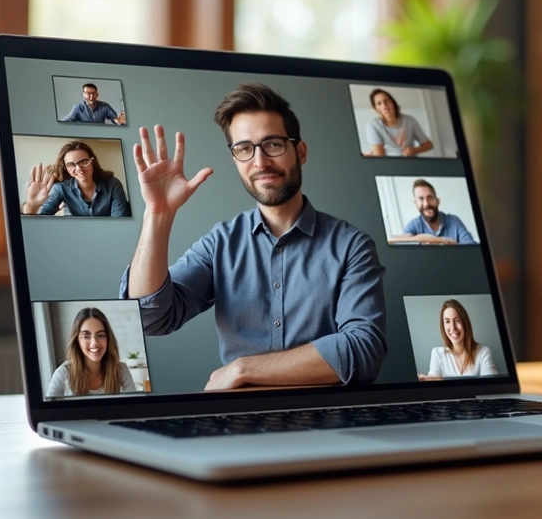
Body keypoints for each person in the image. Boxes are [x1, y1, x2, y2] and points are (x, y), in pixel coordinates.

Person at [121, 83, 387, 389]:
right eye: (244, 149)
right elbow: (148, 318)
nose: (260, 162)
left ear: (300, 151)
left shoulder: (352, 246)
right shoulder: (220, 243)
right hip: (239, 416)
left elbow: (364, 350)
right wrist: (158, 214)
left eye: (273, 144)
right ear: (235, 158)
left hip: (327, 414)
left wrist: (244, 369)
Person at [22, 140, 131, 217]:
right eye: (71, 164)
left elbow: (120, 221)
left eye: (84, 162)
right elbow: (39, 223)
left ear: (92, 161)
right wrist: (32, 206)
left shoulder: (113, 184)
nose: (79, 168)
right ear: (65, 168)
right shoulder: (60, 189)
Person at [46, 307, 138, 398]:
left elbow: (134, 406)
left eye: (100, 335)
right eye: (86, 336)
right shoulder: (63, 374)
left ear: (108, 339)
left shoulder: (121, 371)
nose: (94, 343)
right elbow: (49, 407)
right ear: (77, 341)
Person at [418, 299, 498, 380]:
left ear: (465, 323)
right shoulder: (437, 353)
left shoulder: (484, 352)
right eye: (447, 321)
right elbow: (434, 382)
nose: (453, 327)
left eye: (457, 321)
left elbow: (491, 384)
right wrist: (423, 379)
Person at [388, 178, 477, 245]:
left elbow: (471, 247)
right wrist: (442, 241)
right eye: (421, 199)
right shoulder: (413, 225)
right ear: (415, 204)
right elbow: (393, 241)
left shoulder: (454, 220)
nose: (426, 204)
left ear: (438, 201)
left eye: (430, 198)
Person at [363, 88, 434, 157]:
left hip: (411, 162)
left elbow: (428, 145)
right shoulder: (373, 126)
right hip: (390, 164)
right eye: (379, 103)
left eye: (386, 101)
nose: (384, 105)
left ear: (393, 102)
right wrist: (373, 154)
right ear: (376, 108)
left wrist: (414, 150)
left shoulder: (410, 121)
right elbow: (379, 156)